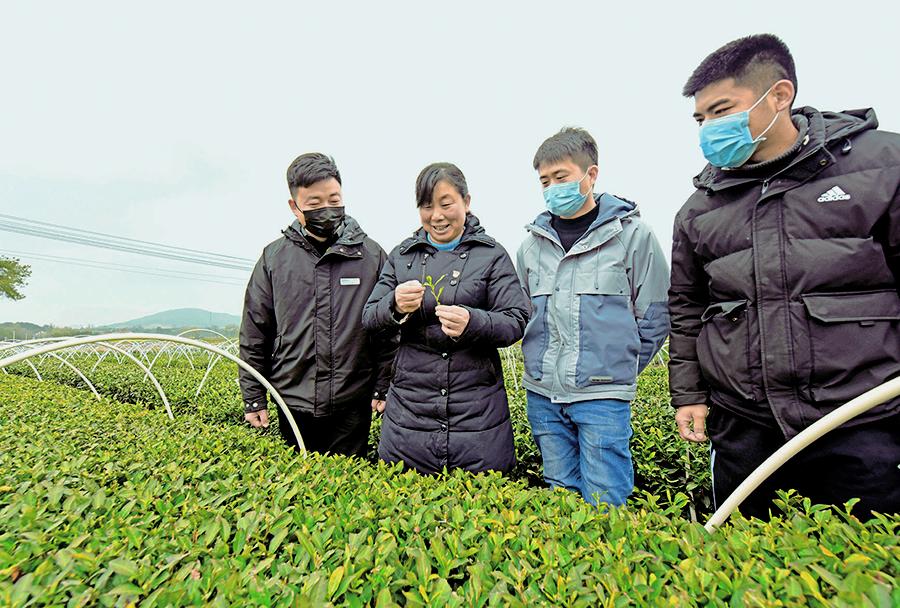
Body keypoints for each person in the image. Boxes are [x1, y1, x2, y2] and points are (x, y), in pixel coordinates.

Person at [670, 34, 900, 518]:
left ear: (779, 95)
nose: (710, 127)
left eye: (722, 110)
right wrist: (689, 395)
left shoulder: (882, 167)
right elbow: (688, 308)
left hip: (863, 421)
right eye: (701, 118)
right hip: (746, 428)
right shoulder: (699, 208)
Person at [516, 127, 670, 506]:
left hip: (602, 395)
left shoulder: (633, 236)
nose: (553, 187)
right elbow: (520, 314)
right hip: (543, 394)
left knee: (607, 499)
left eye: (561, 177)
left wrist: (617, 367)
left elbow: (655, 315)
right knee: (560, 498)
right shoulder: (531, 247)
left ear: (591, 175)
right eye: (545, 181)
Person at [362, 162, 529, 474]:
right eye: (426, 206)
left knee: (482, 514)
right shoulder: (402, 256)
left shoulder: (491, 255)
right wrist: (394, 305)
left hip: (477, 416)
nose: (436, 216)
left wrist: (474, 322)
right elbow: (369, 317)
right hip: (409, 415)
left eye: (446, 203)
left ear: (466, 202)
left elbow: (516, 319)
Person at [239, 152, 397, 457]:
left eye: (334, 198)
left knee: (350, 489)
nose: (326, 209)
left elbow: (386, 330)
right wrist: (254, 396)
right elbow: (255, 331)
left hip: (352, 400)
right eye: (314, 203)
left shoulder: (371, 256)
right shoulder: (274, 258)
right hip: (291, 397)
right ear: (294, 206)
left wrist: (383, 383)